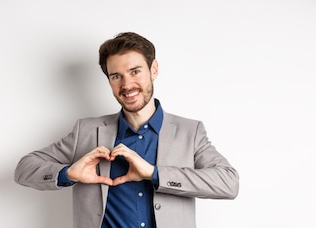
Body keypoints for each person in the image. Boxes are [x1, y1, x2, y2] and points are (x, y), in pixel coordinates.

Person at [14, 32, 239, 228]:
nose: (126, 84)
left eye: (135, 71)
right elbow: (24, 169)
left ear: (154, 69)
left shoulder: (190, 132)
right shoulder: (87, 131)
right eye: (116, 76)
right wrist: (68, 173)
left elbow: (229, 183)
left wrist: (154, 173)